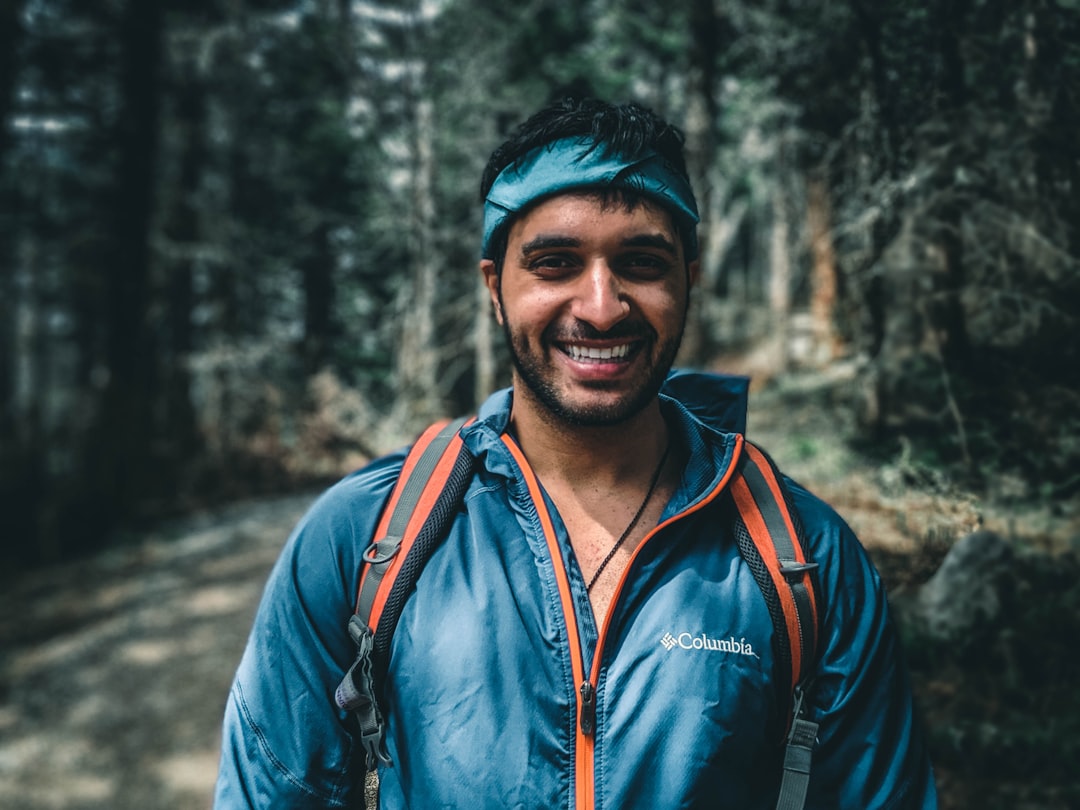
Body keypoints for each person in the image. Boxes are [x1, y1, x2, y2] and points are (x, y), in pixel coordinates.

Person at [214, 97, 937, 809]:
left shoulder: (806, 560)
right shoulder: (365, 540)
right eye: (555, 263)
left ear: (690, 277)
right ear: (497, 287)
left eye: (642, 262)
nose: (600, 305)